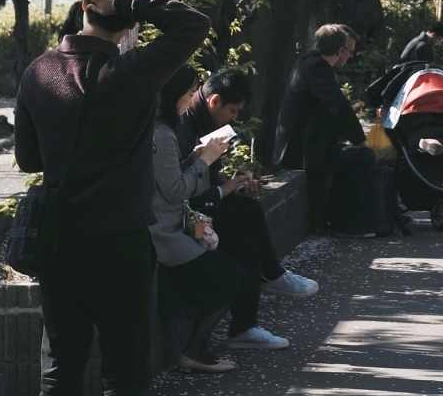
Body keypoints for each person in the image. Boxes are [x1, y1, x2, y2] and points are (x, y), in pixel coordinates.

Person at [16, 0, 213, 396]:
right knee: (125, 372)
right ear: (130, 21)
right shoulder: (135, 72)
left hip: (58, 237)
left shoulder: (37, 73)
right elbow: (194, 24)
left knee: (61, 366)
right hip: (120, 240)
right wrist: (127, 0)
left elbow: (29, 159)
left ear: (85, 4)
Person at [149, 69, 284, 373]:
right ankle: (194, 349)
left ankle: (270, 279)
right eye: (186, 95)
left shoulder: (166, 130)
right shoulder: (163, 133)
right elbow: (176, 191)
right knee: (227, 275)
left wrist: (198, 161)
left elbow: (178, 182)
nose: (188, 102)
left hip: (171, 225)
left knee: (241, 230)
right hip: (163, 232)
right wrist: (203, 160)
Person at [174, 70, 319, 300]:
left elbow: (207, 174)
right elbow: (181, 184)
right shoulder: (182, 124)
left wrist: (233, 182)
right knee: (245, 224)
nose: (233, 118)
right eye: (232, 111)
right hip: (184, 211)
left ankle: (266, 284)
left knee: (247, 215)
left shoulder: (200, 119)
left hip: (198, 202)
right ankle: (270, 278)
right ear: (214, 101)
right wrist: (223, 187)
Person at [275, 23, 369, 233]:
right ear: (340, 50)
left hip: (310, 140)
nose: (350, 57)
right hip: (302, 147)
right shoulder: (317, 68)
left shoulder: (312, 64)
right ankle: (340, 222)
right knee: (361, 159)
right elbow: (337, 104)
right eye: (349, 51)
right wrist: (359, 139)